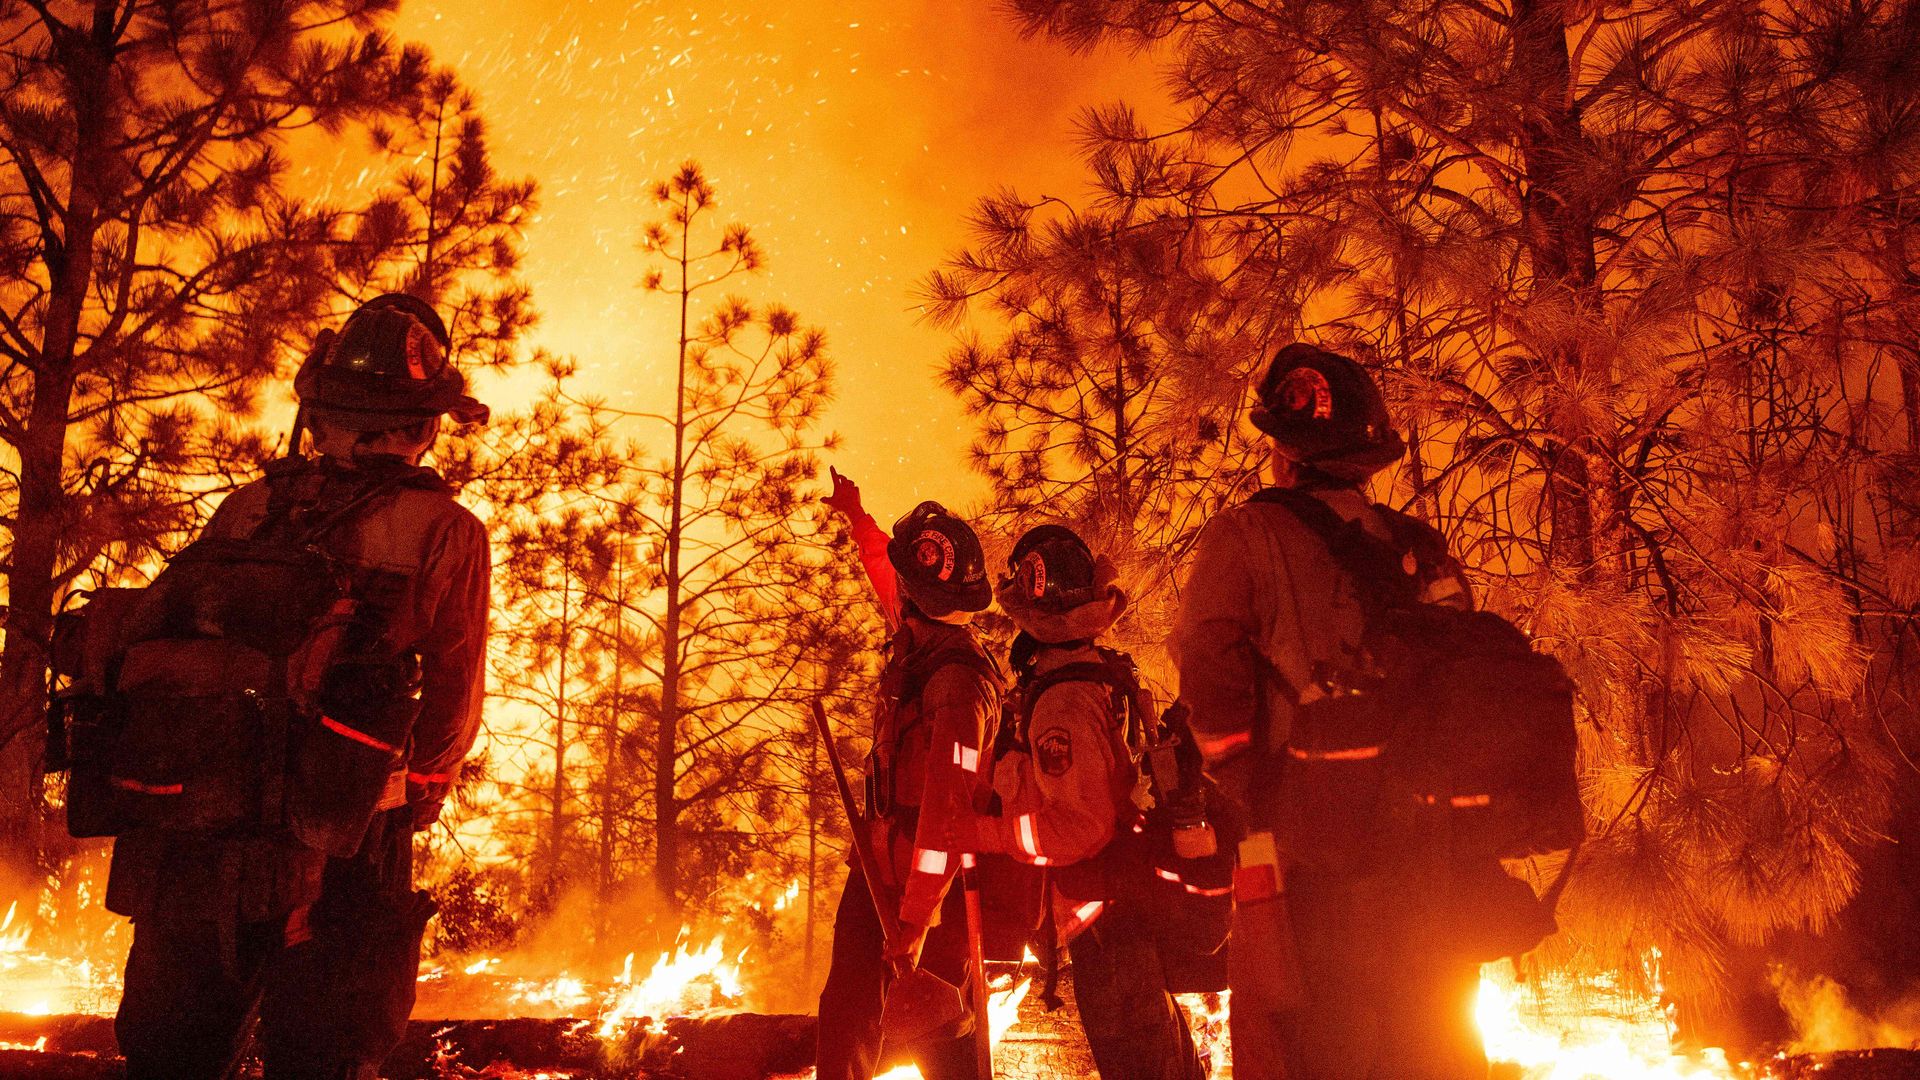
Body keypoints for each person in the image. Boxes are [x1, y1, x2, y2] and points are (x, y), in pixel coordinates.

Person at [106, 294, 492, 1080]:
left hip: (194, 818)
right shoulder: (448, 530)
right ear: (423, 423)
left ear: (318, 414)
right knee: (328, 1045)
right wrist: (421, 788)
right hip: (343, 823)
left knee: (172, 1044)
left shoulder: (249, 508)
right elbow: (454, 689)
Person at [1170, 343, 1490, 1080]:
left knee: (1315, 1041)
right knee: (1430, 1040)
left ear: (1284, 454)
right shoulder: (1420, 548)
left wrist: (1245, 783)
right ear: (1368, 455)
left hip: (1310, 846)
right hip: (1428, 846)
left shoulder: (1245, 536)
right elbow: (1466, 672)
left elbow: (1206, 667)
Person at [954, 524, 1207, 1080]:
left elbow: (1079, 828)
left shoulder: (1062, 704)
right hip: (1123, 907)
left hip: (1105, 922)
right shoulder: (1096, 674)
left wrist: (985, 833)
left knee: (1142, 1065)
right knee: (1166, 1060)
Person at [817, 472, 1002, 1080]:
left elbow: (948, 822)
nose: (894, 592)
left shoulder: (958, 689)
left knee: (942, 1034)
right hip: (876, 863)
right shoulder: (918, 633)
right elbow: (882, 570)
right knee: (847, 1014)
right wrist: (857, 517)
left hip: (938, 895)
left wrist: (916, 922)